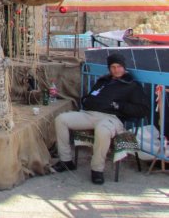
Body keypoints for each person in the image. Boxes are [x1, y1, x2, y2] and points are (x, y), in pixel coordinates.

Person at [53, 53, 149, 184]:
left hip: (111, 118)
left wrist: (119, 105)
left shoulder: (131, 85)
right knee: (61, 119)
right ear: (109, 68)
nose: (116, 70)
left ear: (124, 67)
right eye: (113, 67)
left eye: (119, 66)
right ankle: (66, 161)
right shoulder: (103, 81)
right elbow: (90, 96)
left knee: (102, 130)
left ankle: (97, 169)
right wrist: (86, 100)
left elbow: (142, 110)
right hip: (90, 114)